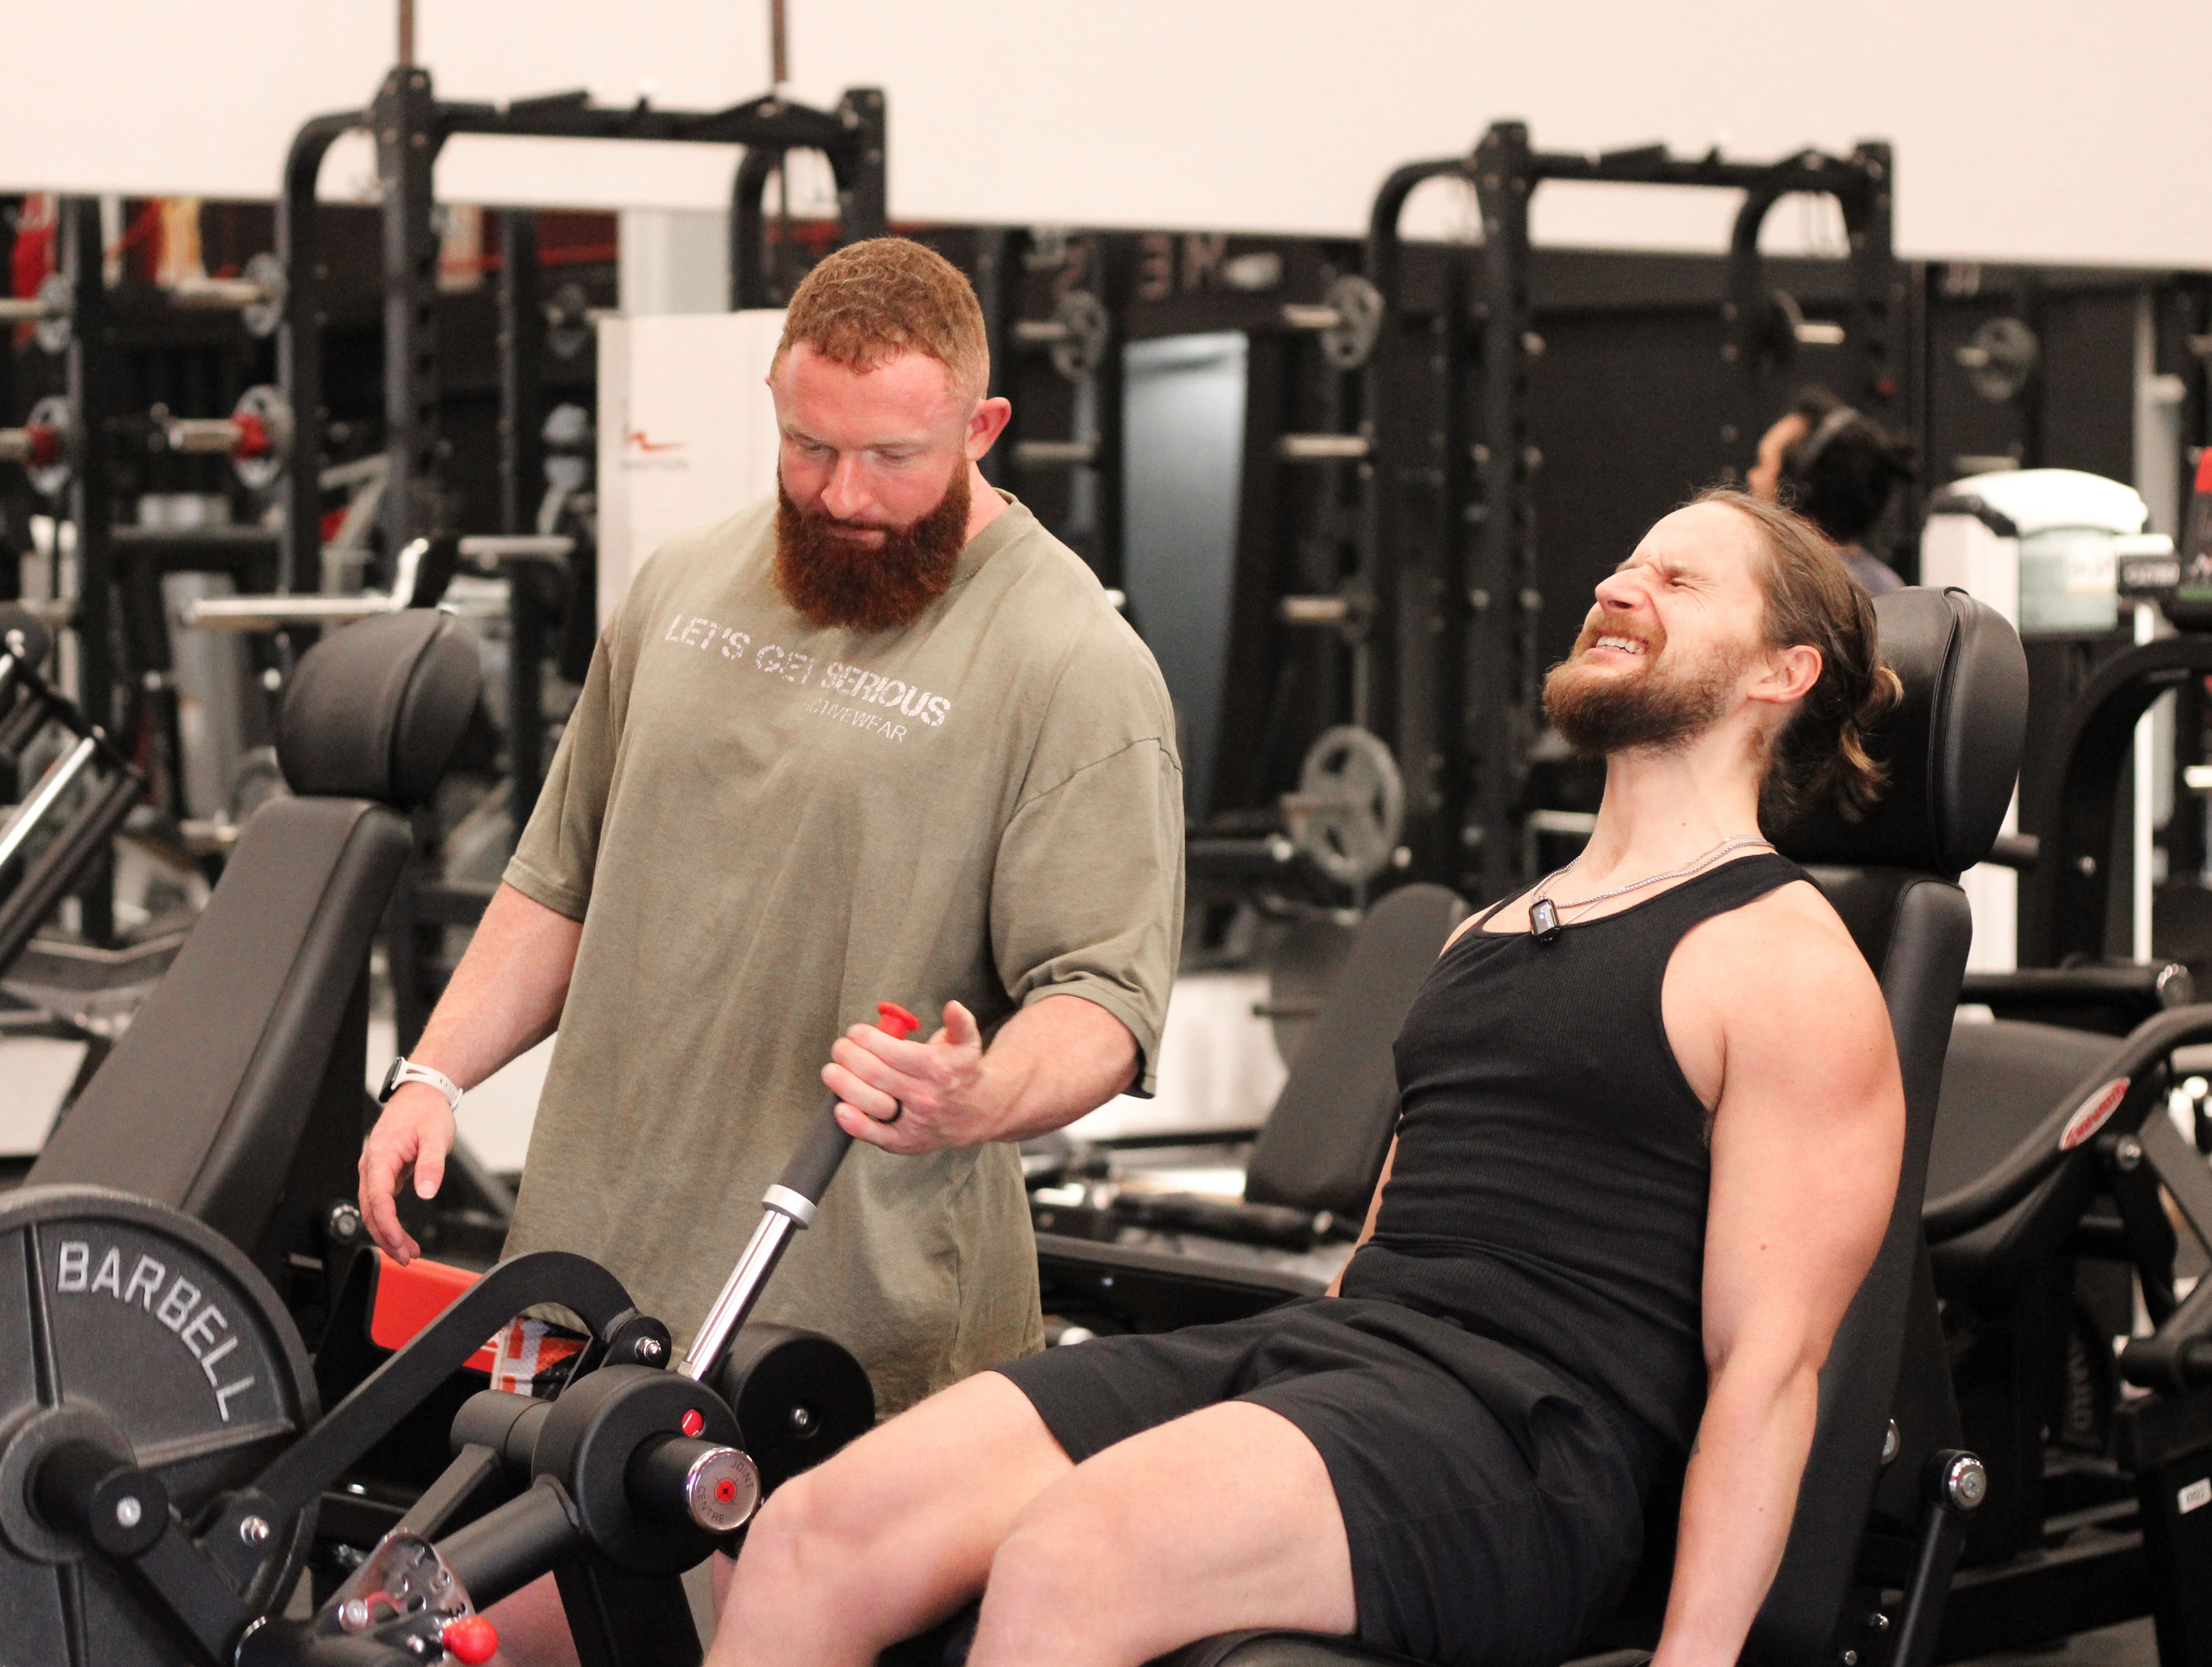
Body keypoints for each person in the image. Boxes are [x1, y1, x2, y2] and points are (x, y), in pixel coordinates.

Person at [710, 492, 1907, 1667]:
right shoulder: (1481, 933)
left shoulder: (1785, 961)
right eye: (1624, 565)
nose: (1617, 586)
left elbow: (1771, 1368)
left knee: (1076, 1553)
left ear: (1781, 673)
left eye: (1680, 580)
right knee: (820, 1526)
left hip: (1531, 1444)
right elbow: (1381, 1247)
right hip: (1341, 1357)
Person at [357, 238, 1183, 1395]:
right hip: (585, 1247)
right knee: (494, 1558)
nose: (843, 496)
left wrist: (978, 1094)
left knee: (765, 1582)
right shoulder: (683, 583)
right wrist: (432, 1080)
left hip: (843, 1299)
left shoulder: (1071, 662)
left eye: (893, 457)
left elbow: (1102, 998)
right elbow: (561, 876)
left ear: (981, 428)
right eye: (810, 448)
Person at [1749, 387, 1919, 593]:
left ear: (1800, 492)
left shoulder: (1782, 596)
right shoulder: (1890, 590)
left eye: (1763, 464)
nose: (1753, 477)